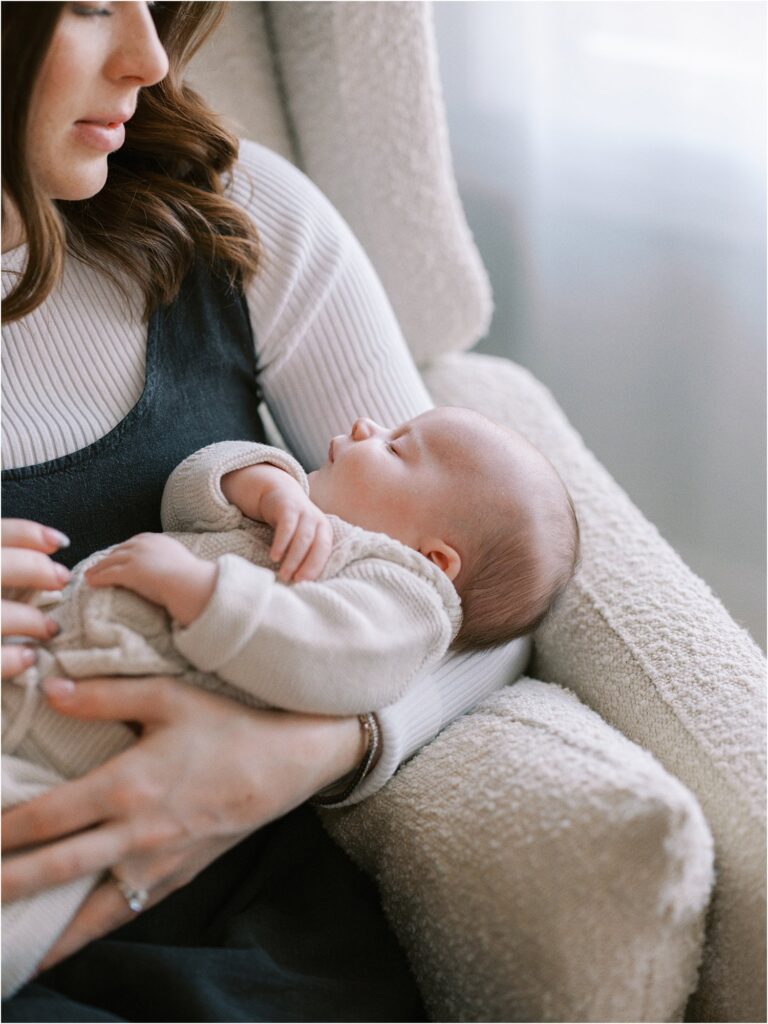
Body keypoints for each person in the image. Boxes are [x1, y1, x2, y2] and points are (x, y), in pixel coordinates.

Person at [1, 3, 526, 1019]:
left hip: (255, 942)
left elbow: (471, 587)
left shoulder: (233, 214)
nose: (149, 58)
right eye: (89, 5)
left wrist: (282, 760)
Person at [4, 407, 579, 996]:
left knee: (25, 883)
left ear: (436, 561)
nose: (364, 425)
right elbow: (188, 496)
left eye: (397, 447)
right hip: (35, 662)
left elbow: (328, 654)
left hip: (78, 765)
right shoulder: (302, 511)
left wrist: (200, 592)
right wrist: (264, 485)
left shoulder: (403, 596)